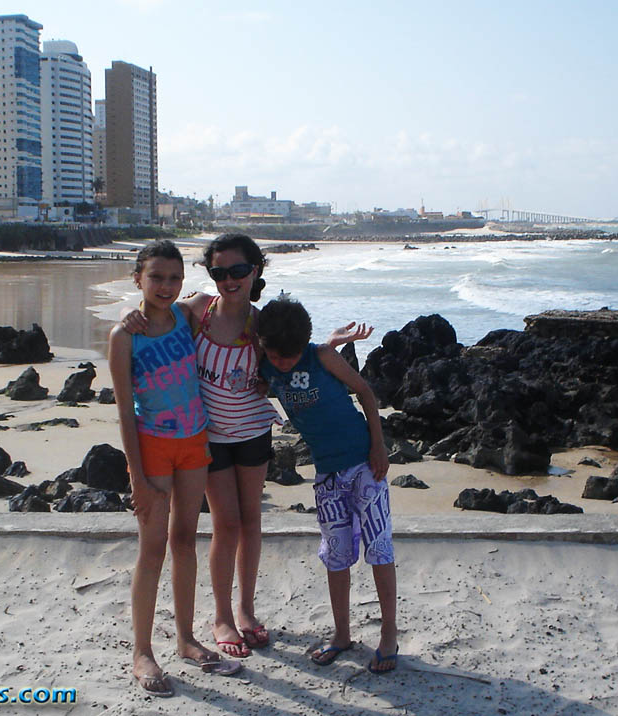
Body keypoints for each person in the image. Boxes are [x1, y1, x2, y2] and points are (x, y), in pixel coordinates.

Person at [122, 233, 371, 658]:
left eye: (239, 270)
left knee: (251, 522)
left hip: (254, 431)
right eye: (220, 272)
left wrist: (330, 345)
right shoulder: (197, 310)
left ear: (255, 271)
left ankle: (246, 609)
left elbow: (297, 352)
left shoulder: (261, 325)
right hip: (209, 438)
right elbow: (157, 313)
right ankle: (221, 616)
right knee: (226, 524)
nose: (229, 279)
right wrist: (130, 320)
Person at [107, 240, 241, 697]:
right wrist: (137, 477)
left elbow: (233, 301)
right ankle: (142, 651)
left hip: (194, 443)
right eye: (156, 277)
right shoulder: (125, 336)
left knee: (184, 540)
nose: (165, 286)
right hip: (153, 448)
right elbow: (125, 411)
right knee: (153, 548)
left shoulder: (186, 316)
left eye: (174, 278)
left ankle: (185, 639)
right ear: (138, 278)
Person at [257, 294, 399, 674]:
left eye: (288, 357)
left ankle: (389, 632)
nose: (282, 365)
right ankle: (342, 634)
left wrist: (379, 446)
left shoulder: (322, 357)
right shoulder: (266, 363)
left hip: (365, 466)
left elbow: (366, 393)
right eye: (275, 357)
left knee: (379, 548)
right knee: (335, 555)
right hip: (326, 476)